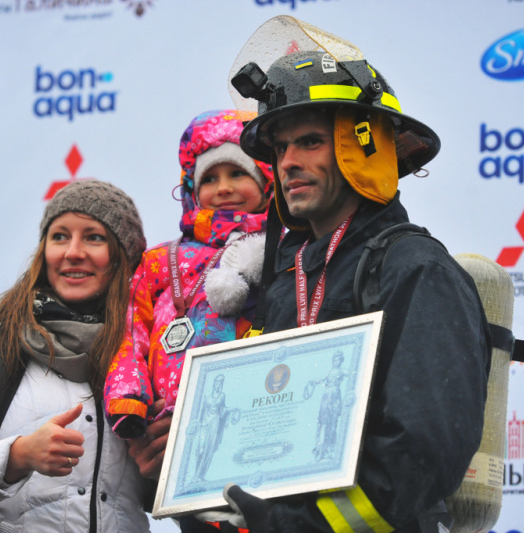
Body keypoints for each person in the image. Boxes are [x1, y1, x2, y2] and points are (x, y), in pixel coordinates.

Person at [211, 17, 492, 533]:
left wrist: (293, 526)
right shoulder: (287, 277)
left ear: (363, 148)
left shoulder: (416, 269)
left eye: (310, 142)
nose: (288, 162)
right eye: (279, 149)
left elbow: (420, 454)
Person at [0, 180, 151, 532]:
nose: (73, 252)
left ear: (122, 257)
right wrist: (17, 456)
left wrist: (162, 466)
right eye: (60, 236)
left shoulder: (142, 360)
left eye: (94, 237)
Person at [103, 109, 273, 443]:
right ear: (191, 190)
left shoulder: (283, 253)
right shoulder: (160, 260)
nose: (223, 188)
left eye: (238, 173)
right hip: (164, 422)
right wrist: (129, 398)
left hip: (249, 416)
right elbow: (129, 331)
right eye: (209, 178)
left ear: (267, 183)